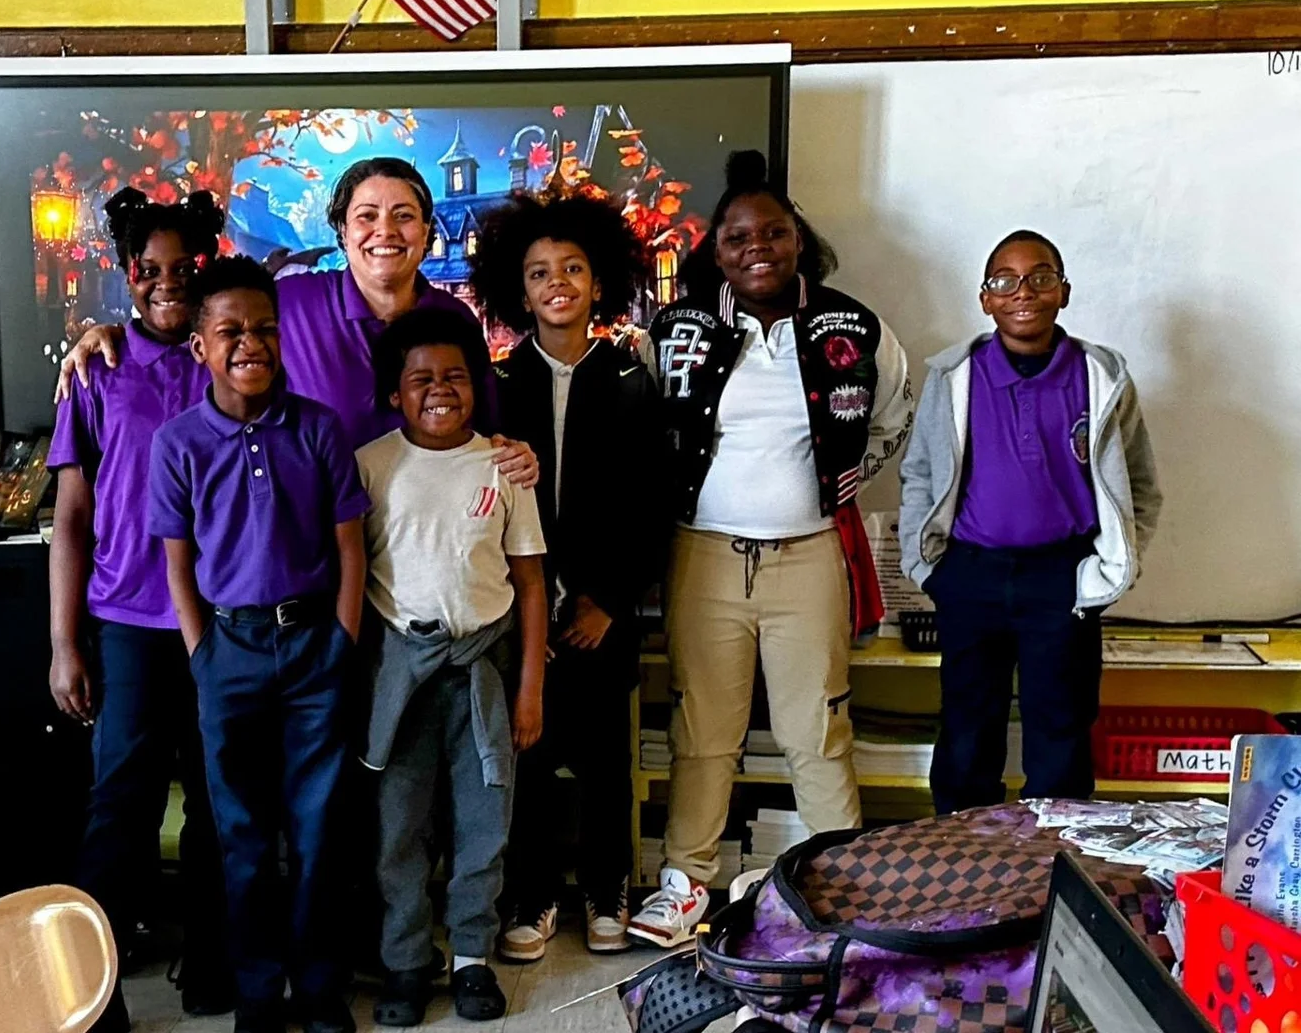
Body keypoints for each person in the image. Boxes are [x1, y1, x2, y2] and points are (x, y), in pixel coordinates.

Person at [630, 151, 914, 949]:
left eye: (776, 232)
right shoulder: (675, 327)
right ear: (714, 250)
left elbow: (894, 414)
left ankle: (845, 889)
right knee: (704, 726)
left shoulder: (853, 326)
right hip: (705, 556)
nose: (759, 246)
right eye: (738, 236)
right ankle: (686, 886)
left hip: (810, 555)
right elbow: (643, 427)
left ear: (799, 240)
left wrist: (848, 478)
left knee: (816, 726)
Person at [147, 256, 369, 1033]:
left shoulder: (317, 428)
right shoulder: (177, 442)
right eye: (231, 331)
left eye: (265, 329)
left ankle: (318, 987)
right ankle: (256, 990)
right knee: (240, 835)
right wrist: (202, 650)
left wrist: (342, 637)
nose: (252, 343)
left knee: (318, 830)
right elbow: (178, 561)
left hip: (314, 647)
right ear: (202, 345)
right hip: (229, 652)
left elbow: (350, 547)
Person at [46, 187, 230, 1032]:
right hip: (127, 621)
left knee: (217, 798)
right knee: (119, 802)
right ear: (126, 273)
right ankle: (92, 983)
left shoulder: (227, 360)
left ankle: (212, 960)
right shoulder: (98, 368)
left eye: (181, 269)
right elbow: (72, 516)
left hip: (222, 619)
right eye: (148, 270)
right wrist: (64, 643)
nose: (165, 284)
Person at [899, 230, 1161, 815]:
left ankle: (1051, 880)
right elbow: (920, 473)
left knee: (1060, 733)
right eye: (1006, 281)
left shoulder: (1100, 378)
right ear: (986, 299)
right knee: (968, 732)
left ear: (1063, 292)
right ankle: (967, 871)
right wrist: (929, 568)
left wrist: (1112, 568)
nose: (1024, 292)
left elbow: (1139, 484)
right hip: (971, 574)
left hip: (1063, 579)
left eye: (1041, 277)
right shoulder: (953, 377)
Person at [57, 156, 536, 475]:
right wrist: (111, 333)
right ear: (343, 232)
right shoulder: (291, 302)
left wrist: (517, 455)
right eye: (366, 215)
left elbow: (489, 437)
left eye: (404, 216)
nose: (384, 230)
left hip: (424, 554)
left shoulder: (455, 319)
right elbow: (208, 320)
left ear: (427, 232)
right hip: (321, 551)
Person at [469, 190, 665, 961]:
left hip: (602, 610)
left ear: (599, 280)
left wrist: (611, 601)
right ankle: (534, 890)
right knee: (529, 755)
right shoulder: (496, 382)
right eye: (540, 271)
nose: (558, 282)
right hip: (522, 612)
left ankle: (608, 884)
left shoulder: (630, 377)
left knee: (606, 757)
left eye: (574, 268)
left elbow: (654, 505)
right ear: (517, 291)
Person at [356, 308, 548, 1026]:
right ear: (395, 393)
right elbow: (357, 571)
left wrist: (530, 688)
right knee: (398, 825)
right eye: (422, 379)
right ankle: (405, 958)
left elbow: (530, 584)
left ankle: (472, 954)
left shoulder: (504, 465)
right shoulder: (371, 465)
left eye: (456, 377)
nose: (440, 390)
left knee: (482, 819)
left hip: (482, 671)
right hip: (398, 678)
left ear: (478, 385)